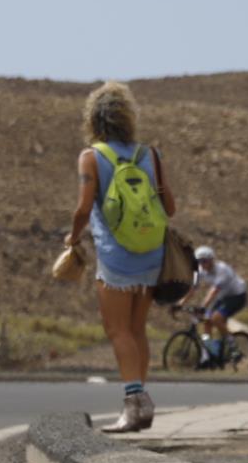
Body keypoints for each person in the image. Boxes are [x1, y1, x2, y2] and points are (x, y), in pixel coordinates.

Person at [64, 81, 176, 433]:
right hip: (152, 253)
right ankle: (141, 401)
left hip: (116, 257)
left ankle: (134, 403)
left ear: (93, 119)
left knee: (118, 330)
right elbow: (170, 208)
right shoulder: (150, 155)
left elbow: (83, 208)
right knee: (137, 329)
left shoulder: (91, 157)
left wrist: (72, 238)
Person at [185, 245, 248, 366]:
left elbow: (213, 291)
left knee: (216, 319)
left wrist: (203, 306)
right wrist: (180, 303)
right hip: (223, 297)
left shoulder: (222, 270)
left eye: (204, 261)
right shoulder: (199, 270)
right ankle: (208, 356)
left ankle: (234, 348)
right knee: (206, 322)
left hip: (237, 296)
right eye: (199, 261)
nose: (201, 264)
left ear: (211, 260)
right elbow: (193, 288)